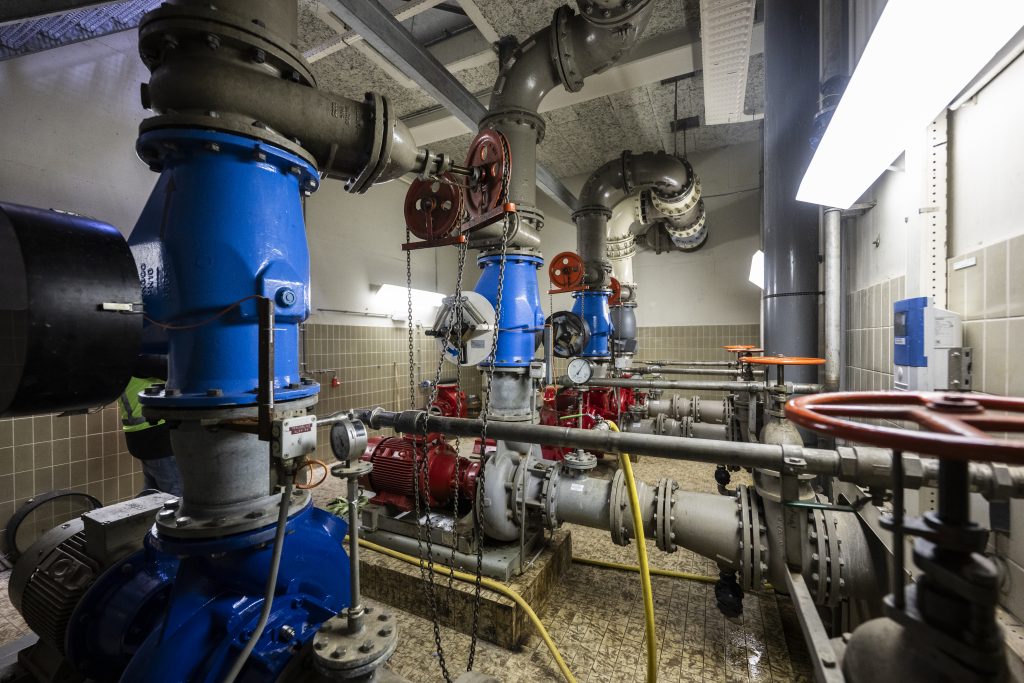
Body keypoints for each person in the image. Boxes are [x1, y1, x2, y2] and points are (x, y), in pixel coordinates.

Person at [118, 372, 183, 496]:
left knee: (153, 492)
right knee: (175, 492)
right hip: (156, 434)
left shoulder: (124, 368)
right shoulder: (143, 364)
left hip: (137, 434)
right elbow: (173, 371)